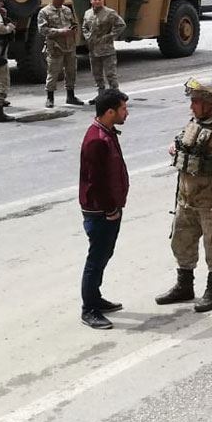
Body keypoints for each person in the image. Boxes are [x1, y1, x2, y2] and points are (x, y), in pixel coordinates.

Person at [159, 79, 212, 312]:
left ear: (210, 102)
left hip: (210, 203)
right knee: (181, 241)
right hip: (186, 199)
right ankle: (184, 286)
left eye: (195, 101)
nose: (191, 106)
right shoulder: (196, 121)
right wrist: (174, 146)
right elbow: (183, 140)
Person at [79, 88, 130, 330]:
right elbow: (97, 181)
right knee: (96, 259)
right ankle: (89, 309)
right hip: (100, 212)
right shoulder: (97, 140)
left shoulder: (107, 133)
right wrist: (110, 209)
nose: (126, 113)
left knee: (104, 255)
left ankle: (95, 298)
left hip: (109, 209)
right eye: (123, 109)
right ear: (110, 112)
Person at [38, 0, 85, 107]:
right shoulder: (44, 12)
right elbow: (42, 30)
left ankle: (70, 95)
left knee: (71, 71)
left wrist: (73, 29)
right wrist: (60, 31)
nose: (62, 1)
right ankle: (50, 98)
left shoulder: (67, 10)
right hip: (55, 47)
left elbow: (74, 23)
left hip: (69, 45)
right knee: (53, 72)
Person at [82, 0, 126, 91]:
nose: (97, 1)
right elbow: (84, 27)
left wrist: (110, 36)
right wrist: (87, 37)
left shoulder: (110, 13)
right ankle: (101, 95)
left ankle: (115, 95)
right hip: (93, 49)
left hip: (107, 49)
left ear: (103, 0)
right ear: (91, 1)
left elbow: (121, 25)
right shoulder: (87, 13)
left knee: (110, 74)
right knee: (97, 74)